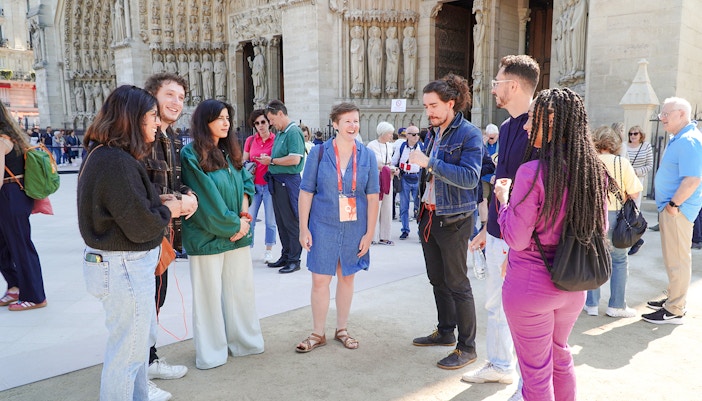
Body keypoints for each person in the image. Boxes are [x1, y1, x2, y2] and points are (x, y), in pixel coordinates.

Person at [496, 87, 611, 401]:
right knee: (560, 357)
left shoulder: (531, 173)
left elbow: (516, 238)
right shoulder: (593, 173)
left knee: (535, 377)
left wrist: (503, 202)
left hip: (530, 286)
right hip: (573, 286)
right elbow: (600, 228)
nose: (525, 126)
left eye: (532, 118)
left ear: (550, 121)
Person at [78, 85, 183, 400]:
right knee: (126, 356)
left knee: (133, 351)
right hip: (123, 265)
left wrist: (160, 202)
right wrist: (172, 209)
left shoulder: (110, 156)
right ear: (132, 118)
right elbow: (140, 226)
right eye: (151, 115)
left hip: (120, 263)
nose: (156, 122)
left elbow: (127, 208)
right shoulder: (114, 161)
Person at [464, 55, 540, 391]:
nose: (492, 88)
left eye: (496, 82)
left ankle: (530, 386)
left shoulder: (539, 128)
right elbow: (502, 186)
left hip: (523, 241)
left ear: (512, 85)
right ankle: (499, 364)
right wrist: (487, 229)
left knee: (525, 316)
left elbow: (537, 195)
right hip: (498, 233)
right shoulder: (508, 127)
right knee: (494, 305)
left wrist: (517, 246)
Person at [180, 99, 265, 368]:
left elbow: (246, 183)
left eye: (228, 117)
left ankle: (244, 342)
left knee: (240, 291)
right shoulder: (191, 154)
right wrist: (234, 225)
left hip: (236, 232)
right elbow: (205, 197)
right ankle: (212, 352)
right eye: (219, 118)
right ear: (205, 122)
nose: (226, 123)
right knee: (208, 296)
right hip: (207, 235)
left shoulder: (230, 153)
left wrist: (243, 216)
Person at [409, 73, 482, 370]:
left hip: (454, 217)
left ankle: (467, 347)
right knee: (437, 279)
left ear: (451, 103)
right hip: (429, 215)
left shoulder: (469, 134)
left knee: (457, 283)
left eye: (434, 105)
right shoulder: (433, 133)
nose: (429, 111)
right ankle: (445, 331)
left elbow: (470, 178)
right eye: (426, 106)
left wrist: (430, 164)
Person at [295, 102, 380, 353]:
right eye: (347, 121)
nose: (353, 126)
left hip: (355, 226)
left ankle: (341, 329)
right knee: (320, 279)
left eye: (356, 121)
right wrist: (303, 228)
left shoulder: (367, 155)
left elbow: (373, 196)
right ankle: (317, 333)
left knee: (347, 277)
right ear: (335, 125)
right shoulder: (319, 153)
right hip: (323, 224)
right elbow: (306, 192)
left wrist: (370, 233)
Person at [143, 72, 199, 397]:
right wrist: (176, 201)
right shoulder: (143, 138)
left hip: (167, 235)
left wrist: (189, 197)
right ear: (153, 96)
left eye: (181, 97)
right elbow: (138, 187)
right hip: (146, 235)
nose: (177, 102)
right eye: (170, 95)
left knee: (156, 299)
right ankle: (140, 371)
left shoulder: (174, 138)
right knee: (144, 304)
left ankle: (148, 360)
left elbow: (177, 182)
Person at [643, 97, 702, 325]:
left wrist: (673, 205)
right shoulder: (681, 138)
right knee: (673, 259)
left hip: (678, 211)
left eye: (666, 114)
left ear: (681, 114)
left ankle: (674, 309)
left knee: (677, 260)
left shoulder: (689, 140)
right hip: (674, 210)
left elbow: (693, 179)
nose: (662, 118)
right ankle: (673, 299)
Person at [584, 126, 642, 318]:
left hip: (591, 216)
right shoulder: (622, 163)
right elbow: (634, 193)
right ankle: (616, 305)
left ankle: (591, 304)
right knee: (619, 260)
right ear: (615, 144)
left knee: (593, 259)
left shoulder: (587, 162)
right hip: (617, 216)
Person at [0, 103, 47, 311]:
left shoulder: (2, 141)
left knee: (20, 247)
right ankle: (15, 286)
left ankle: (35, 296)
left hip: (9, 196)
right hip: (14, 196)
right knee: (5, 246)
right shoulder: (14, 138)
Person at [258, 100, 306, 273]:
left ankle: (294, 259)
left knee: (291, 221)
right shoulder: (281, 132)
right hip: (278, 182)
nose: (270, 123)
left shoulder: (293, 132)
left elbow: (295, 159)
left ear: (280, 113)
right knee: (281, 222)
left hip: (288, 182)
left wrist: (271, 161)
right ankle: (286, 255)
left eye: (271, 119)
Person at [242, 109, 277, 263]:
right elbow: (244, 161)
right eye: (257, 123)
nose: (260, 125)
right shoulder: (250, 140)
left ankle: (269, 250)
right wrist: (251, 163)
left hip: (269, 185)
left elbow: (277, 160)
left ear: (269, 122)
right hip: (253, 186)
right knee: (250, 218)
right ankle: (247, 248)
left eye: (263, 122)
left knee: (270, 220)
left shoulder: (276, 140)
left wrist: (269, 160)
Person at [391, 124, 424, 240]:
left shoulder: (422, 147)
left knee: (418, 207)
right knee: (404, 206)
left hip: (418, 178)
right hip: (405, 178)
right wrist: (395, 170)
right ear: (407, 136)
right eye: (414, 134)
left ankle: (420, 231)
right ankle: (405, 230)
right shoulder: (401, 147)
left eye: (418, 134)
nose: (416, 137)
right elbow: (394, 161)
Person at [367, 122, 396, 245]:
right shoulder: (371, 145)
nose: (391, 135)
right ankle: (372, 237)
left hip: (388, 177)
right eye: (390, 133)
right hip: (376, 178)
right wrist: (382, 167)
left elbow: (390, 162)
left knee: (387, 207)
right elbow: (369, 163)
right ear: (383, 133)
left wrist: (393, 169)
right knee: (375, 206)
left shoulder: (390, 146)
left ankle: (385, 236)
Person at [626, 125, 653, 255]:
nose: (632, 136)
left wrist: (635, 171)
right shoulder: (625, 146)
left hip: (637, 180)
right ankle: (633, 239)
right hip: (625, 180)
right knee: (624, 211)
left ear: (640, 135)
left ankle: (636, 239)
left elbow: (649, 165)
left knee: (634, 210)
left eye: (635, 133)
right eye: (630, 133)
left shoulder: (646, 146)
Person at [477, 123, 499, 227]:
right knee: (483, 200)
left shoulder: (502, 144)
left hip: (496, 176)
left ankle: (495, 222)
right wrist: (481, 144)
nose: (490, 140)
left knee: (495, 201)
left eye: (492, 137)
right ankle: (483, 224)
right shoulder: (480, 144)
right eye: (488, 137)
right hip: (484, 176)